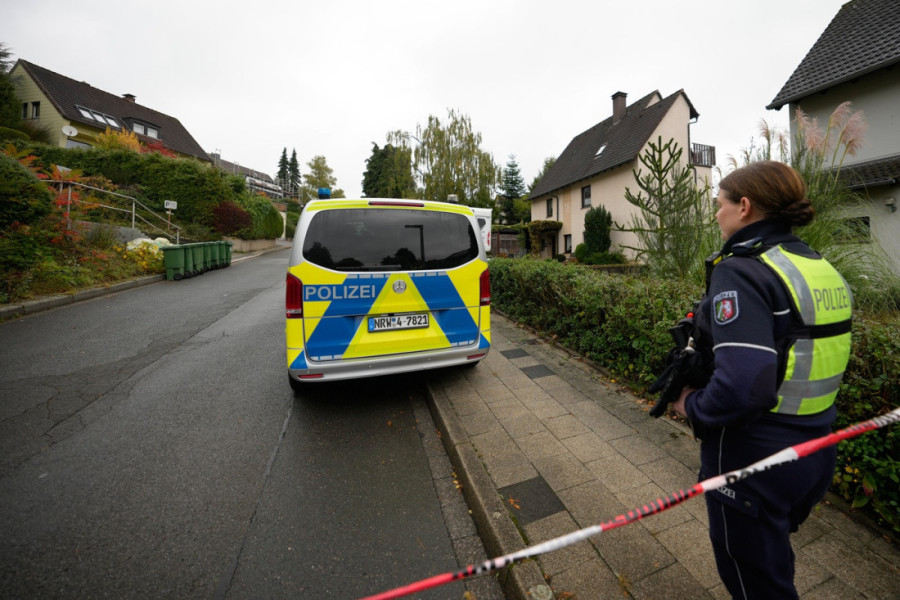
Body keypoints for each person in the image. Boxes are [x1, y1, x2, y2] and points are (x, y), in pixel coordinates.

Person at [670, 161, 853, 599]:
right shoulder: (818, 265)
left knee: (756, 585)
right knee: (771, 566)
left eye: (720, 205)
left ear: (745, 207)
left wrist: (689, 404)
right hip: (814, 452)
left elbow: (744, 385)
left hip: (753, 461)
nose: (716, 214)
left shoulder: (742, 268)